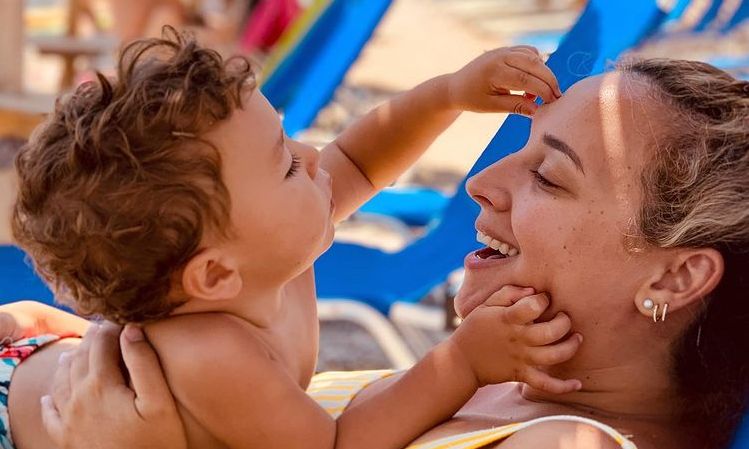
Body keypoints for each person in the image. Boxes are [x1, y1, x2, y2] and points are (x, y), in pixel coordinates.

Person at [6, 54, 748, 449]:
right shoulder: (505, 391)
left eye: (549, 175)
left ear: (678, 272)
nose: (480, 184)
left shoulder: (563, 441)